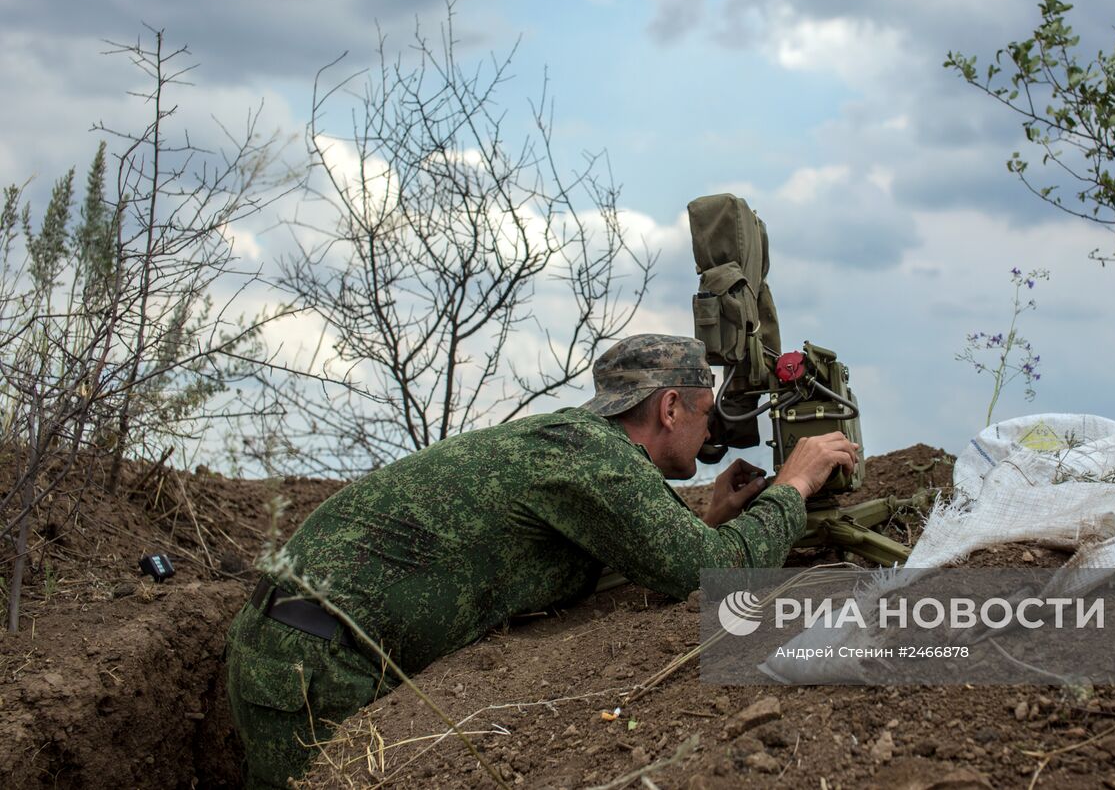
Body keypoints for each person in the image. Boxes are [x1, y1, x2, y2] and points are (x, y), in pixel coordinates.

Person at [224, 333, 858, 788]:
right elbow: (707, 573)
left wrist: (710, 520)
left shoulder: (576, 445)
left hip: (308, 647)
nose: (712, 431)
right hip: (313, 666)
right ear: (670, 408)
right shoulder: (596, 460)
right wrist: (793, 487)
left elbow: (630, 557)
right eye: (706, 412)